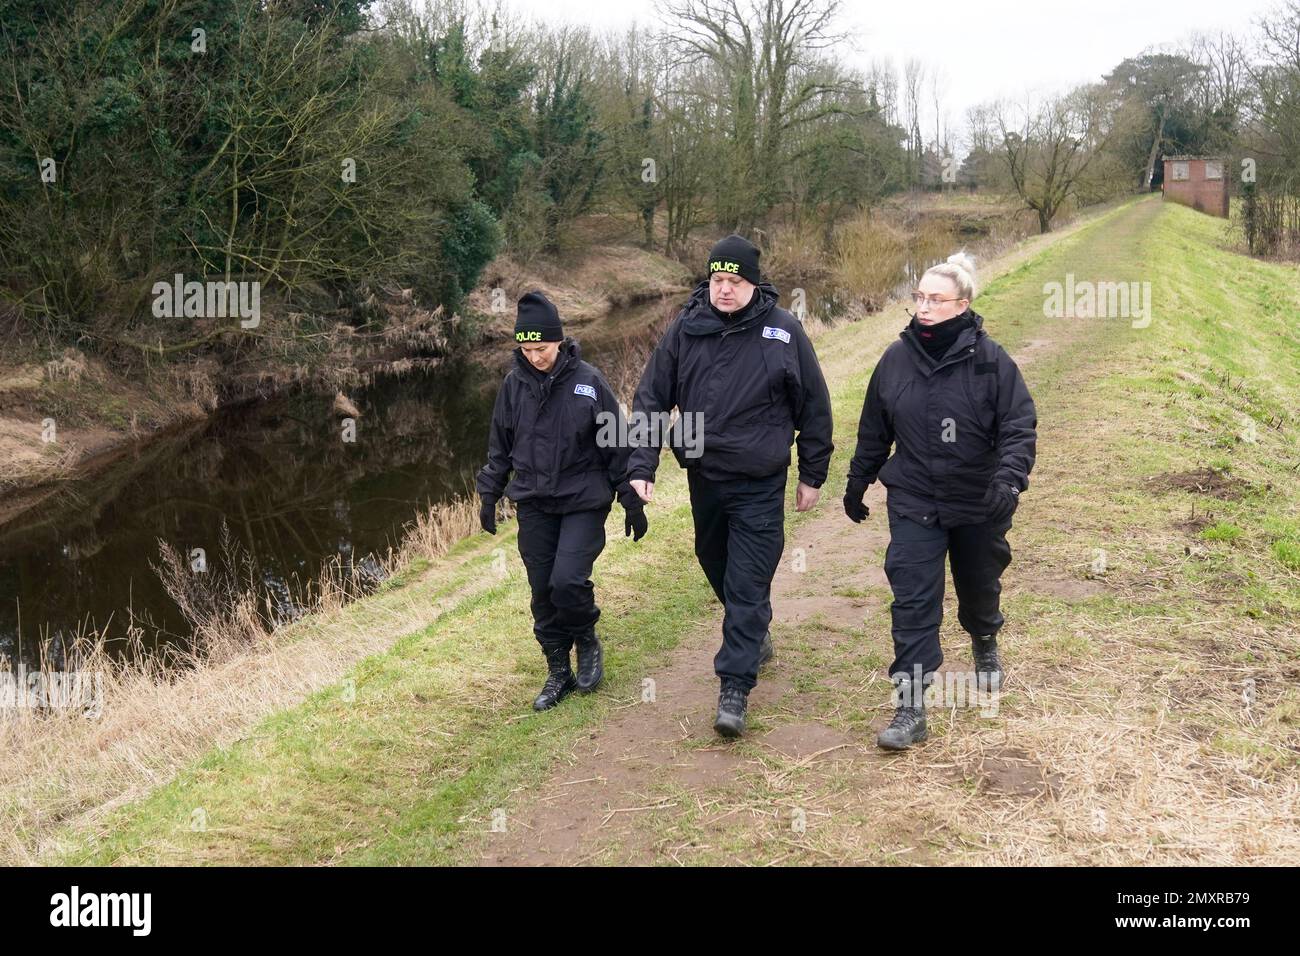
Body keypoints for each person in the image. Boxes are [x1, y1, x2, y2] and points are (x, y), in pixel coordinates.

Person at [628, 234, 833, 738]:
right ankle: (754, 630)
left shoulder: (783, 333)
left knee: (746, 583)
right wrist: (641, 464)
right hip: (705, 477)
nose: (723, 289)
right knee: (713, 560)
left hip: (761, 479)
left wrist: (812, 473)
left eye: (734, 281)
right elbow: (652, 398)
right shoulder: (685, 330)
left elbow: (814, 405)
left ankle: (734, 688)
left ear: (753, 283)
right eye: (717, 280)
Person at [843, 252, 1037, 750]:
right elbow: (874, 428)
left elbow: (1018, 427)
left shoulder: (992, 361)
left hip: (979, 499)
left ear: (962, 305)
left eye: (935, 299)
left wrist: (1009, 482)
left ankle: (985, 640)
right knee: (912, 599)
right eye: (919, 298)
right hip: (915, 499)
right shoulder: (895, 359)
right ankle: (911, 707)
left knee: (979, 582)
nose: (923, 308)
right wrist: (858, 481)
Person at [476, 291, 648, 711]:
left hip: (583, 500)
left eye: (543, 348)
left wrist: (631, 499)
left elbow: (616, 443)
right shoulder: (513, 387)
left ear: (559, 340)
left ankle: (586, 640)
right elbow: (500, 447)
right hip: (534, 501)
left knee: (567, 581)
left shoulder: (589, 383)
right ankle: (558, 671)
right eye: (527, 349)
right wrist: (489, 493)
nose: (535, 356)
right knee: (542, 591)